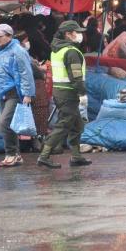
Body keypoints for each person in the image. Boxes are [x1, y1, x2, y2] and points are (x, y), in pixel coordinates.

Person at [37, 21, 91, 168]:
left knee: (77, 125)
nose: (80, 35)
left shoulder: (56, 50)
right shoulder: (71, 52)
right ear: (68, 34)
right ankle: (44, 155)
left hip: (59, 91)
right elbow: (76, 76)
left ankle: (76, 155)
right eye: (77, 32)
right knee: (64, 124)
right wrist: (82, 94)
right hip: (69, 92)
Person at [0, 24, 35, 167]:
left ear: (9, 36)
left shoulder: (18, 51)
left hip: (15, 93)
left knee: (5, 123)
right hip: (1, 93)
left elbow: (26, 72)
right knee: (10, 125)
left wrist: (28, 93)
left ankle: (11, 154)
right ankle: (16, 155)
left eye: (0, 36)